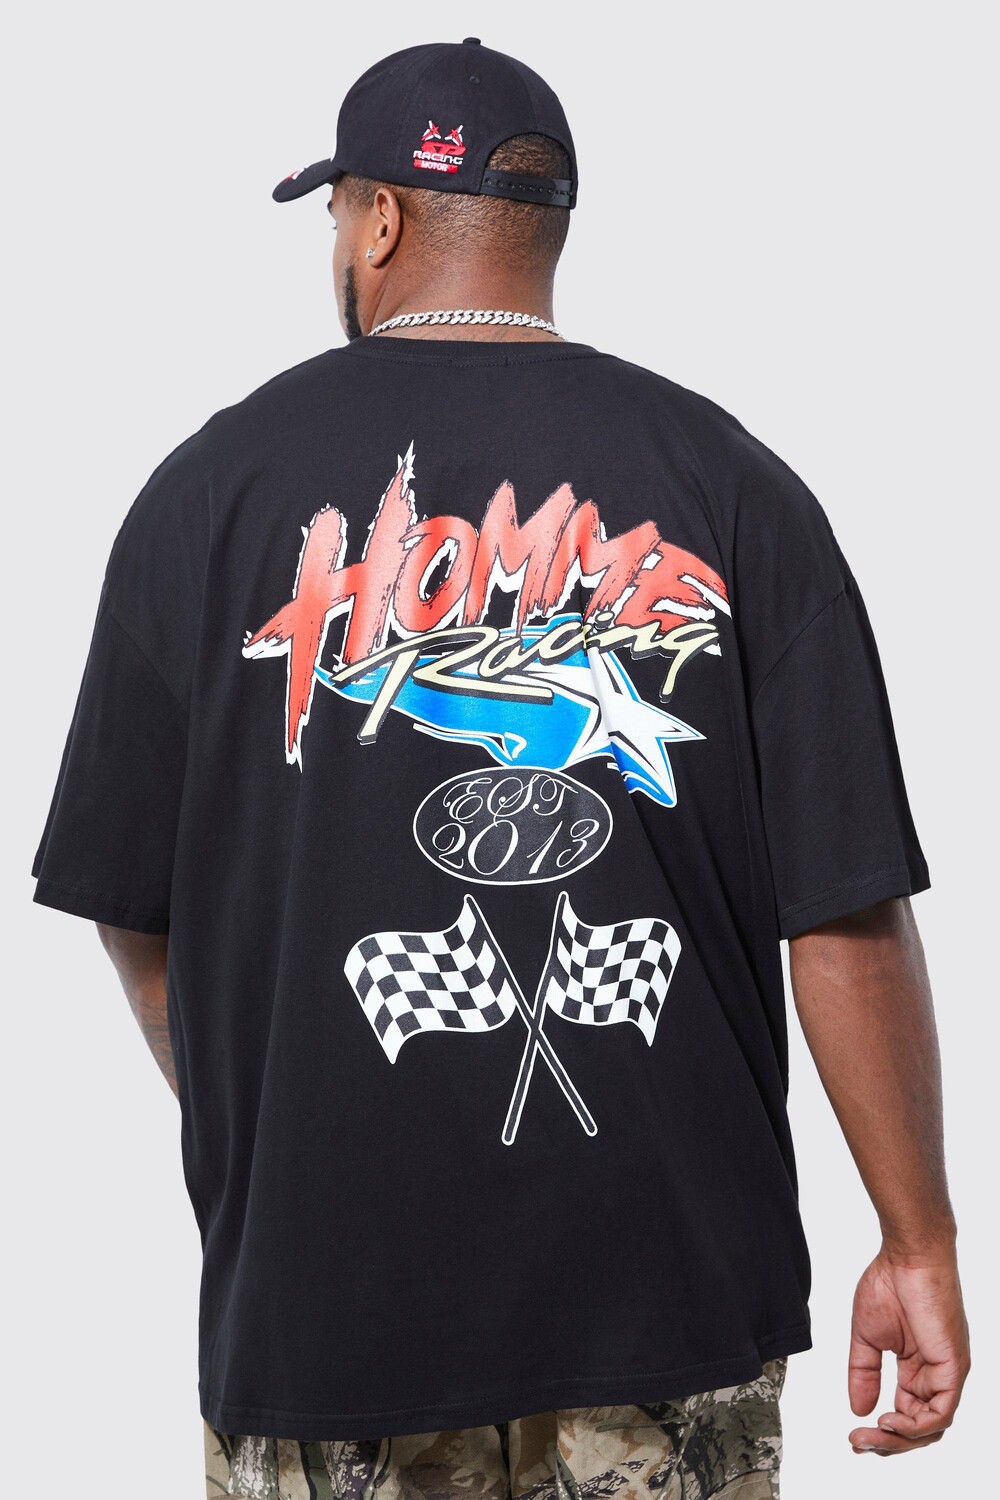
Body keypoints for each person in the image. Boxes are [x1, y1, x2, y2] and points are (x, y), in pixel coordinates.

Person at [32, 37, 969, 1500]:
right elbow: (845, 912)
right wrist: (918, 1240)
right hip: (669, 1297)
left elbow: (129, 900)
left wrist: (270, 1126)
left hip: (327, 1303)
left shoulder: (207, 493)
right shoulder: (732, 479)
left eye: (337, 213)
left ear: (380, 220)